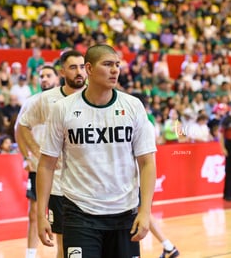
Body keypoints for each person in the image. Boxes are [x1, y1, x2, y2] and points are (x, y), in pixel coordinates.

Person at [36, 44, 157, 257]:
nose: (115, 70)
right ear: (89, 69)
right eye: (108, 64)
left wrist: (145, 211)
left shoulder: (133, 106)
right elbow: (46, 164)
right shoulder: (63, 109)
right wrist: (41, 214)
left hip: (124, 214)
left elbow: (147, 163)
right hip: (79, 213)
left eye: (117, 65)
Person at [17, 50, 87, 258]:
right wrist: (34, 153)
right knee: (65, 244)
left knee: (86, 242)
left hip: (88, 182)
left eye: (82, 67)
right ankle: (30, 253)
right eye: (73, 67)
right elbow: (21, 125)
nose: (79, 72)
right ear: (62, 71)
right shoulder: (45, 100)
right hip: (58, 183)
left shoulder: (94, 96)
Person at [14, 65, 60, 258]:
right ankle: (31, 255)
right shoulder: (31, 102)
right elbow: (19, 130)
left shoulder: (65, 101)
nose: (44, 79)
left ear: (58, 78)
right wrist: (27, 156)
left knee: (62, 217)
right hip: (38, 166)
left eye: (49, 75)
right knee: (34, 212)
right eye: (42, 76)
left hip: (61, 168)